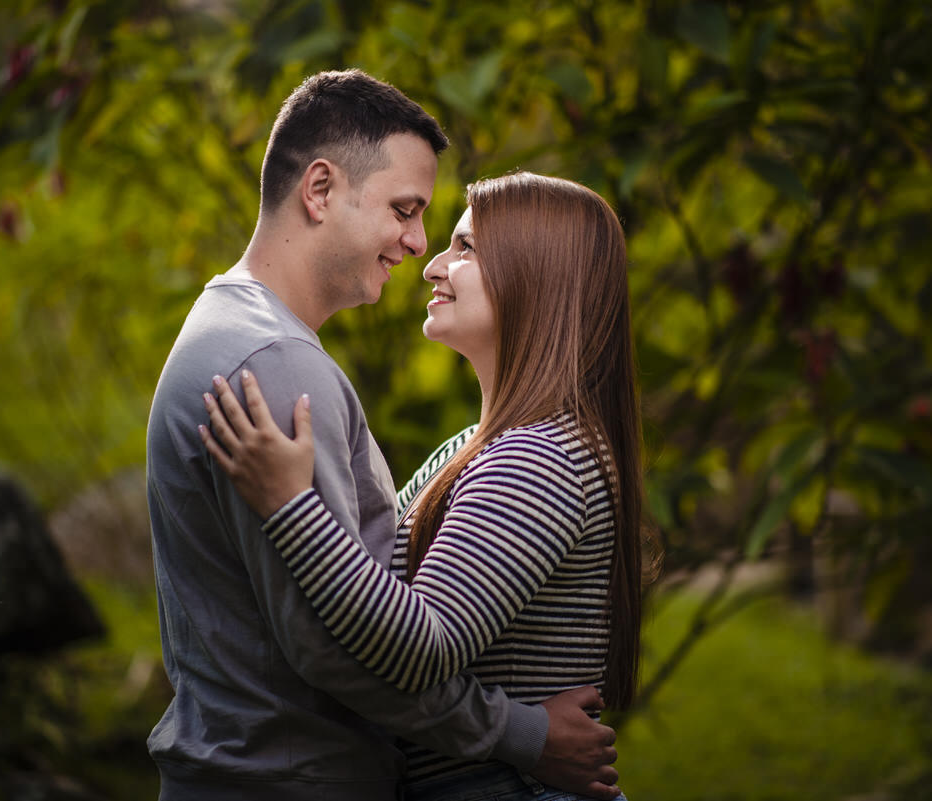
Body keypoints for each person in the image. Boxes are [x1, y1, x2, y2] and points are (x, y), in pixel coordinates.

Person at [146, 71, 621, 801]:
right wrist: (522, 732)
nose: (425, 251)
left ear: (536, 279)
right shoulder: (277, 364)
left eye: (462, 245)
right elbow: (344, 636)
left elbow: (402, 626)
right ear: (320, 190)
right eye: (407, 210)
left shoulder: (537, 455)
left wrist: (293, 507)